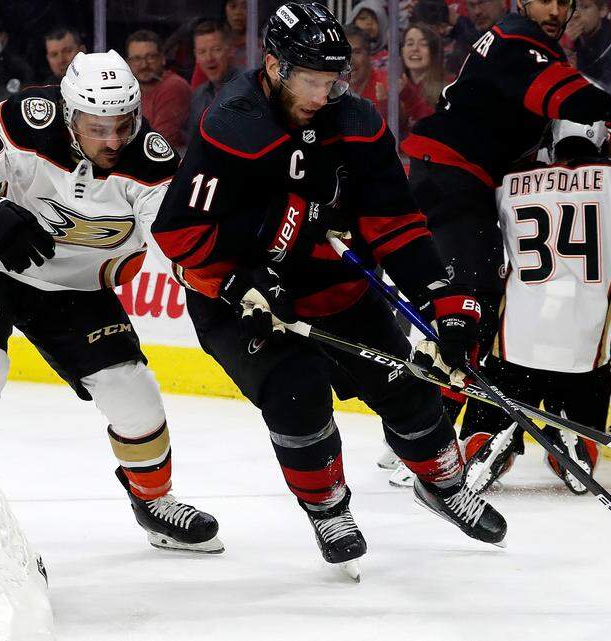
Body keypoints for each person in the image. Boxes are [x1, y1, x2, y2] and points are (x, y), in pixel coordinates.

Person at [152, 2, 507, 579]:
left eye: (333, 80)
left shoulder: (357, 121)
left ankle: (445, 484)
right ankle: (328, 511)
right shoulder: (233, 124)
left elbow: (396, 224)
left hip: (332, 288)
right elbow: (181, 233)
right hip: (242, 298)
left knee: (408, 388)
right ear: (274, 66)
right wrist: (239, 283)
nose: (324, 94)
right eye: (311, 81)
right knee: (297, 393)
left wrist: (440, 299)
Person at [0, 50, 221, 554]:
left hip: (76, 289)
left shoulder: (154, 163)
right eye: (97, 129)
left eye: (123, 126)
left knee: (132, 392)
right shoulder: (23, 123)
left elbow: (180, 245)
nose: (113, 141)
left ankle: (154, 501)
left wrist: (229, 281)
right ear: (70, 114)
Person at [400, 0, 611, 439]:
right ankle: (425, 429)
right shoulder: (516, 38)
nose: (556, 10)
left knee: (475, 305)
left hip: (454, 174)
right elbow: (558, 93)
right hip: (454, 174)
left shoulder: (526, 46)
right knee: (470, 304)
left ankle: (429, 418)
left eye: (565, 2)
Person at [464, 120, 611, 492]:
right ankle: (575, 441)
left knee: (499, 388)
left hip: (518, 340)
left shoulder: (509, 181)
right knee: (584, 389)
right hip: (584, 348)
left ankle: (487, 438)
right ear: (601, 136)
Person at [126, 30, 192, 150]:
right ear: (128, 63)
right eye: (137, 58)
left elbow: (161, 143)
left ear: (162, 58)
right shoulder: (130, 89)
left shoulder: (174, 86)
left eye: (151, 57)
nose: (144, 65)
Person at [185, 20, 240, 138]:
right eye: (202, 52)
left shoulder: (246, 88)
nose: (209, 58)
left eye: (216, 49)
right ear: (196, 56)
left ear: (231, 50)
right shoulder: (199, 95)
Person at [568, 0, 611, 89]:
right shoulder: (563, 39)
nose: (575, 15)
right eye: (572, 7)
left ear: (603, 10)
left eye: (584, 7)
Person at [348, 1, 391, 68]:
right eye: (363, 18)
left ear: (382, 25)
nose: (369, 22)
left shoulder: (391, 60)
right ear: (352, 22)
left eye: (375, 19)